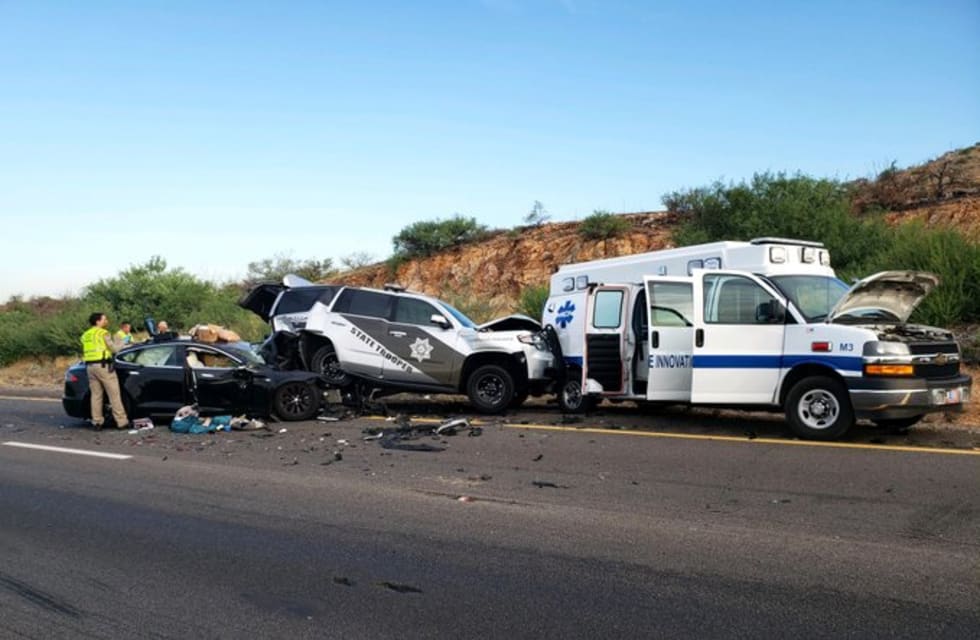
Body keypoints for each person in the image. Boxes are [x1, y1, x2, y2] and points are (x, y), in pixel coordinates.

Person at [80, 312, 129, 431]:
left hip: (90, 367)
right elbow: (114, 349)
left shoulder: (85, 335)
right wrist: (122, 341)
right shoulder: (103, 333)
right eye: (104, 319)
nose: (106, 321)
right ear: (97, 321)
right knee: (114, 395)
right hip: (103, 367)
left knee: (96, 396)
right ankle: (122, 422)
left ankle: (97, 422)